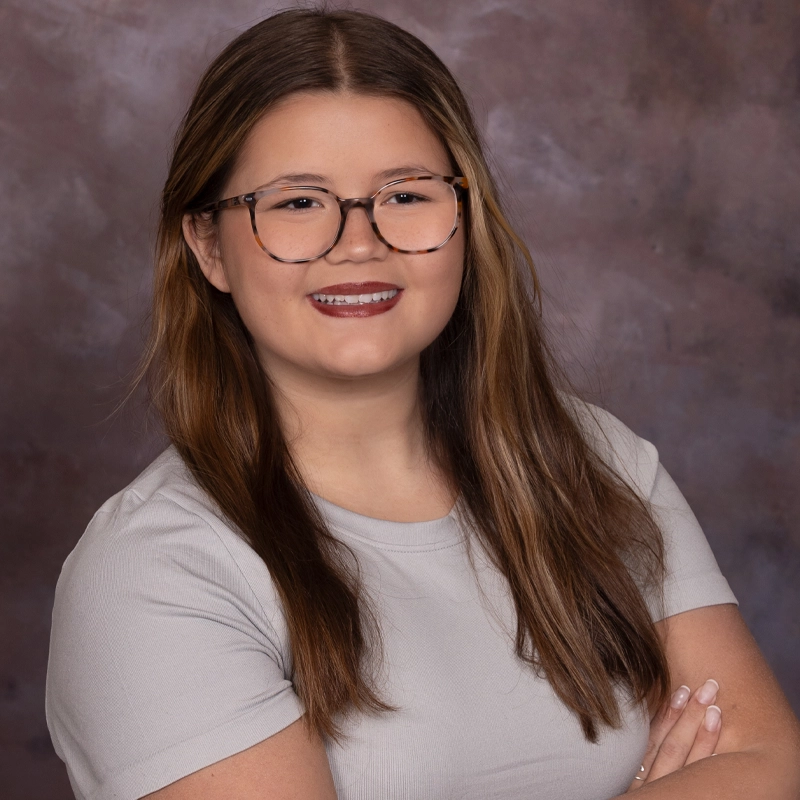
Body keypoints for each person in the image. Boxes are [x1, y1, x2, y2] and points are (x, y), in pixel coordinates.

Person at [45, 8, 800, 800]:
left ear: (466, 218)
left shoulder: (595, 462)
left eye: (405, 195)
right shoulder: (155, 570)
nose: (359, 242)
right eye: (298, 203)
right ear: (207, 246)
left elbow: (767, 761)